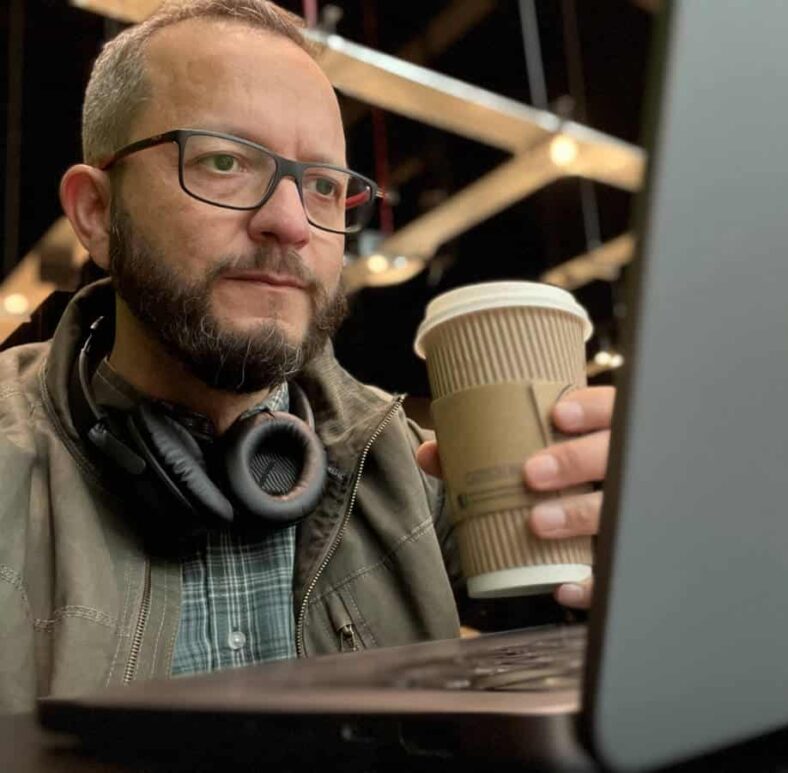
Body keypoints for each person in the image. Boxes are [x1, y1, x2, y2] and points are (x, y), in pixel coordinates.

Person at [0, 0, 614, 713]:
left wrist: (637, 573)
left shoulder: (422, 474)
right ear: (97, 213)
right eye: (224, 161)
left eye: (324, 184)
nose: (292, 222)